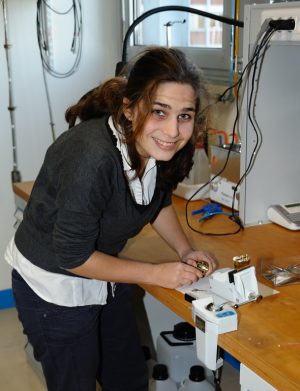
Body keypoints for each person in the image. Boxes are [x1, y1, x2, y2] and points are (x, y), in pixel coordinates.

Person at [5, 47, 217, 391]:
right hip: (53, 287)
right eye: (159, 112)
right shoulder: (93, 156)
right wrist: (155, 273)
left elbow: (157, 200)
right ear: (129, 108)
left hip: (101, 273)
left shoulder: (158, 148)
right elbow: (72, 256)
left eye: (185, 115)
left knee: (129, 376)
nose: (173, 130)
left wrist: (183, 250)